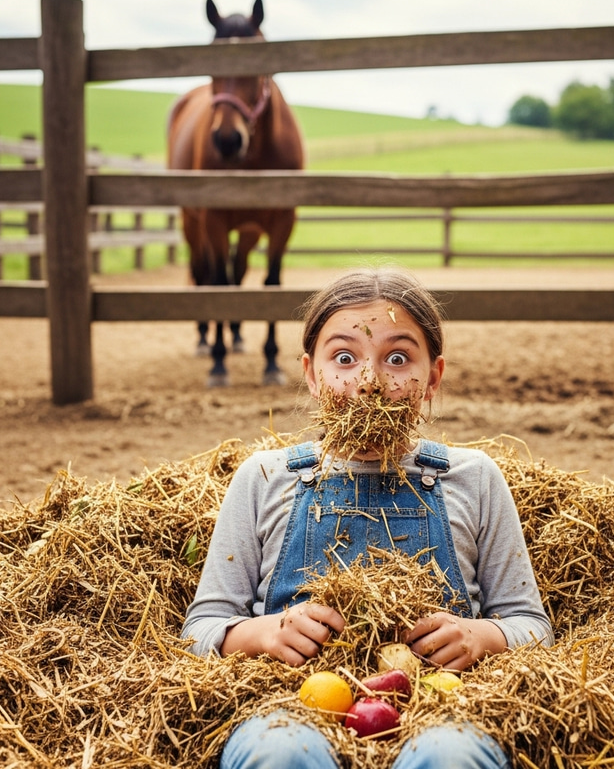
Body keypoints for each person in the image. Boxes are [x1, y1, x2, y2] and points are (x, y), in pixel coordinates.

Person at [182, 267, 553, 768]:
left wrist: (480, 636)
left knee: (450, 756)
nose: (370, 383)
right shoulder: (265, 478)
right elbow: (201, 631)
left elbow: (532, 626)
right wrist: (264, 633)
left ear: (432, 378)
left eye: (397, 359)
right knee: (279, 752)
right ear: (312, 375)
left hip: (444, 708)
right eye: (344, 358)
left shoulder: (474, 478)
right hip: (292, 704)